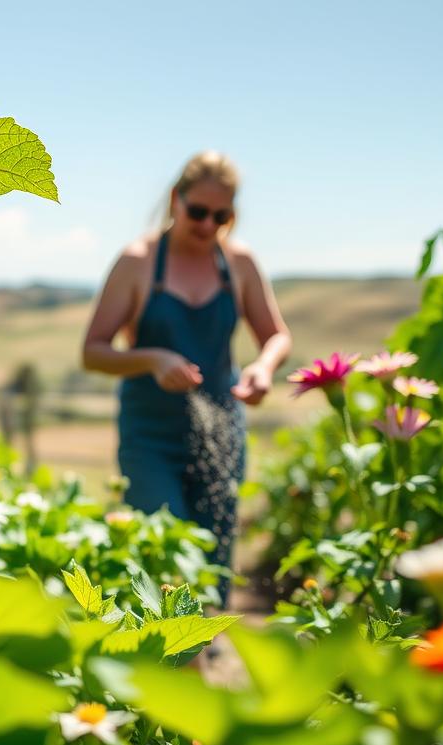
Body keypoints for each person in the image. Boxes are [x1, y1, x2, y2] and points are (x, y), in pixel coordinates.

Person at [81, 151, 291, 604]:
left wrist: (262, 368)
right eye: (197, 211)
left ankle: (203, 656)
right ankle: (172, 658)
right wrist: (152, 359)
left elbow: (276, 336)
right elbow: (93, 351)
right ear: (176, 199)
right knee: (164, 555)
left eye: (221, 216)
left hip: (220, 432)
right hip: (150, 438)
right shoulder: (137, 262)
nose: (207, 225)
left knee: (214, 555)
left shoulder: (239, 264)